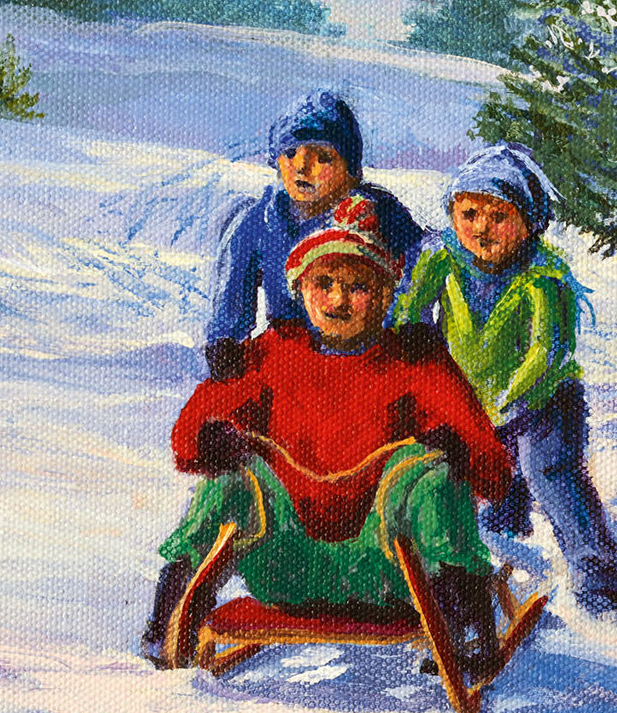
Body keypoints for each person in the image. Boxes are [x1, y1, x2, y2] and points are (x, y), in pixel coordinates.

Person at [143, 193, 513, 671]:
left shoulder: (413, 360)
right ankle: (170, 615)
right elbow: (188, 436)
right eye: (324, 284)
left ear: (385, 295)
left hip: (389, 570)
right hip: (286, 562)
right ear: (301, 290)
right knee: (232, 482)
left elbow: (494, 469)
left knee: (430, 477)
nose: (338, 300)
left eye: (358, 287)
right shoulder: (275, 352)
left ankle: (465, 627)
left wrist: (457, 451)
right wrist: (212, 440)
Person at [391, 143, 617, 620]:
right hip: (470, 398)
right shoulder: (441, 257)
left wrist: (504, 405)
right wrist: (417, 362)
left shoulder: (542, 276)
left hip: (543, 400)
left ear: (528, 223)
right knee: (456, 472)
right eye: (470, 214)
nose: (481, 228)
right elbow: (410, 313)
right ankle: (496, 530)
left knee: (551, 475)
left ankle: (603, 581)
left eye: (499, 216)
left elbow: (545, 352)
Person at [203, 90, 423, 381]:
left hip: (364, 350)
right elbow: (234, 287)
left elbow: (418, 267)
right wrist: (225, 339)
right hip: (290, 349)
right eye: (290, 154)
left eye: (323, 157)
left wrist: (406, 323)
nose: (302, 167)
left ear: (351, 171)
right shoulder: (262, 220)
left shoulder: (378, 213)